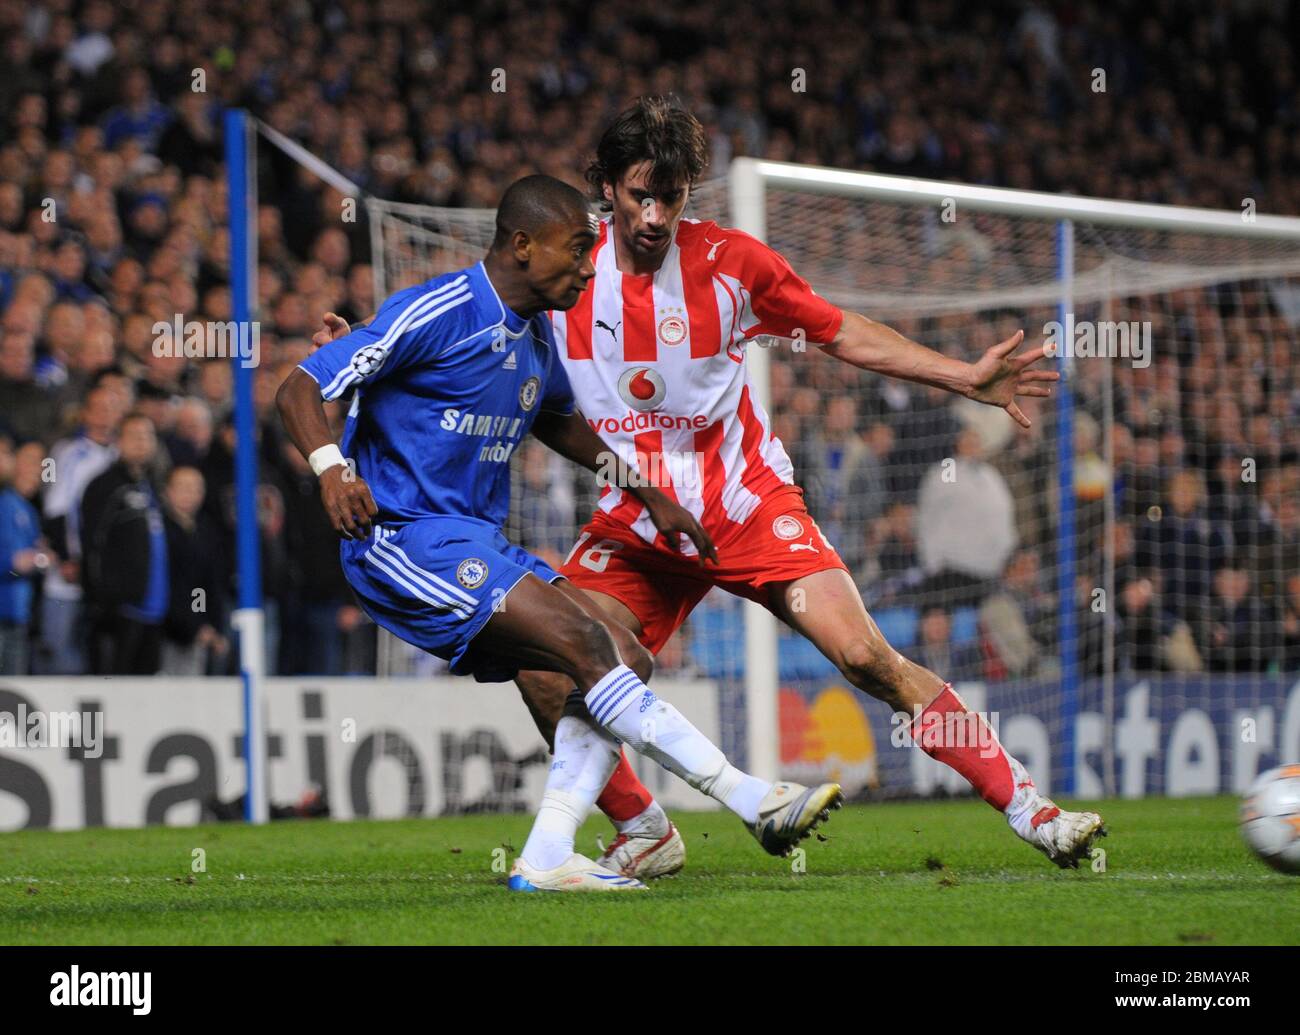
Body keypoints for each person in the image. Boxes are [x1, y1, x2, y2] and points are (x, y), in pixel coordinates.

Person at [505, 98, 1100, 875]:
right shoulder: (566, 270)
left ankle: (1032, 808)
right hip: (636, 518)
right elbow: (477, 319)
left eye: (672, 196)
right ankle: (645, 827)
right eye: (637, 194)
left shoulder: (732, 266)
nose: (653, 215)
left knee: (865, 656)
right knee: (545, 669)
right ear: (606, 186)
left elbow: (842, 329)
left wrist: (963, 375)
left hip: (746, 503)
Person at [281, 175, 841, 893]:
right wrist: (331, 469)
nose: (588, 264)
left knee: (624, 654)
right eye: (577, 248)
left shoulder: (535, 338)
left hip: (472, 542)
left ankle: (555, 851)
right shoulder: (440, 308)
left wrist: (648, 493)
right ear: (522, 244)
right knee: (585, 644)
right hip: (400, 537)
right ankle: (751, 798)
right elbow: (299, 385)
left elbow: (561, 424)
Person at [79, 412, 170, 674]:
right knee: (115, 692)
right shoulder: (104, 485)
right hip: (121, 611)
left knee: (145, 696)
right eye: (134, 436)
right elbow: (91, 543)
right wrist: (103, 601)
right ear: (118, 441)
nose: (142, 442)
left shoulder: (150, 485)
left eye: (147, 436)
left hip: (154, 609)